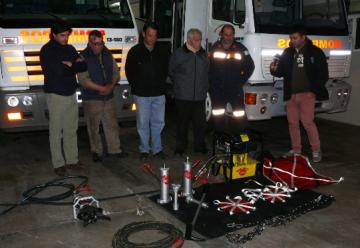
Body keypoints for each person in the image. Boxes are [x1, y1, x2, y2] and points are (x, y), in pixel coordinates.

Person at [270, 24, 329, 163]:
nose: (292, 40)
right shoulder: (288, 52)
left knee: (307, 123)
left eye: (295, 38)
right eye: (291, 37)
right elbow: (280, 72)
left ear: (303, 37)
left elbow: (324, 74)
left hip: (307, 94)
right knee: (292, 123)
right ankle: (296, 150)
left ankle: (316, 150)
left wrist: (312, 91)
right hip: (291, 94)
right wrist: (273, 69)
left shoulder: (315, 52)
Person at [40, 22, 87, 176]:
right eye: (62, 35)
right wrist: (73, 65)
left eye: (67, 35)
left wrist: (70, 65)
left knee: (71, 129)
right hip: (55, 95)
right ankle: (58, 163)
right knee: (56, 131)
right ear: (53, 34)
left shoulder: (70, 48)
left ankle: (72, 160)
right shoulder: (47, 50)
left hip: (70, 93)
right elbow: (58, 71)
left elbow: (84, 65)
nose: (66, 38)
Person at [78, 30, 128, 162]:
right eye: (96, 44)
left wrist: (110, 86)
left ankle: (114, 150)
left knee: (111, 124)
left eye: (101, 43)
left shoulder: (107, 54)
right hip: (92, 98)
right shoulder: (82, 57)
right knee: (93, 127)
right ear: (90, 42)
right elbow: (83, 79)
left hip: (108, 96)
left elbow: (116, 72)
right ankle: (96, 151)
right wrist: (101, 88)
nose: (99, 47)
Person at [125, 22, 169, 160]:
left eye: (155, 36)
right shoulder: (135, 51)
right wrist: (136, 86)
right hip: (141, 94)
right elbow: (129, 71)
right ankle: (144, 149)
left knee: (158, 122)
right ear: (144, 34)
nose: (152, 38)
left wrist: (162, 85)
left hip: (159, 94)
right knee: (143, 123)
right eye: (150, 35)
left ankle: (157, 149)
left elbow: (167, 69)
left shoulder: (162, 51)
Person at [169, 28, 209, 156]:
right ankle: (180, 147)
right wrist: (180, 85)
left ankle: (199, 146)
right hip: (183, 96)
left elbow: (208, 71)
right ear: (189, 40)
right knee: (182, 123)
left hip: (199, 97)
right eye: (197, 40)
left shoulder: (203, 54)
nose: (199, 42)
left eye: (200, 39)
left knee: (200, 124)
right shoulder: (179, 53)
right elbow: (171, 71)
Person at [209, 24, 255, 132]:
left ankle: (243, 140)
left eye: (231, 35)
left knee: (240, 116)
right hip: (218, 90)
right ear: (221, 34)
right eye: (226, 35)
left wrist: (240, 81)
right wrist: (211, 83)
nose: (228, 37)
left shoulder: (240, 48)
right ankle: (220, 139)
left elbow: (250, 66)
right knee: (218, 115)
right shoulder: (215, 48)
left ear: (234, 35)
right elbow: (208, 67)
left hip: (235, 89)